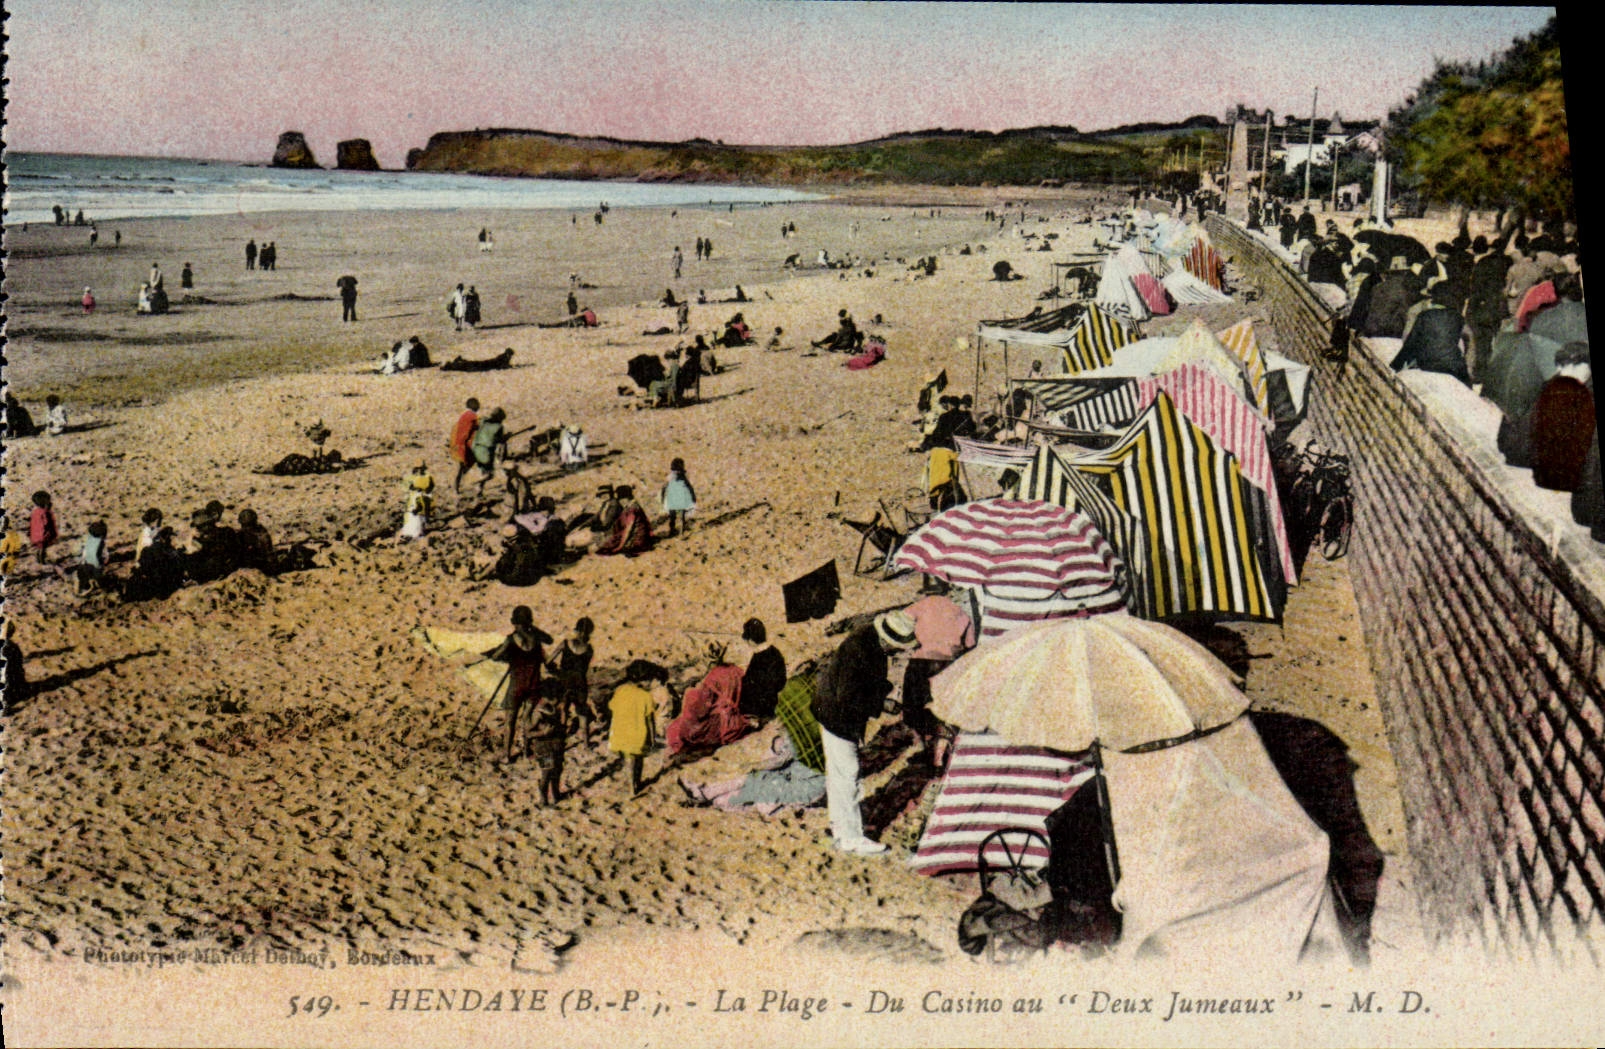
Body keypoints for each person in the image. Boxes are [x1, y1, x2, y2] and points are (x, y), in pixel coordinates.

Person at [812, 610, 918, 854]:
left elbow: (866, 682)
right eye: (895, 648)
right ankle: (850, 837)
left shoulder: (868, 641)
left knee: (839, 773)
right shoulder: (861, 650)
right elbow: (849, 695)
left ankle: (839, 826)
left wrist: (883, 694)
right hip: (837, 715)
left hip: (831, 710)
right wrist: (882, 704)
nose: (896, 653)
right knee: (848, 773)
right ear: (885, 640)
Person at [901, 594, 976, 766]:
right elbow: (970, 645)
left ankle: (923, 747)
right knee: (942, 711)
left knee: (913, 708)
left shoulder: (919, 605)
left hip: (920, 663)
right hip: (947, 664)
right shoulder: (960, 612)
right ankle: (939, 758)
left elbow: (902, 628)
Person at [484, 606, 555, 766]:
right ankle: (525, 752)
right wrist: (532, 628)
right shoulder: (536, 638)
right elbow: (549, 640)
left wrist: (501, 655)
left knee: (510, 722)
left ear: (514, 622)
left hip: (517, 685)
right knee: (527, 719)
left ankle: (507, 755)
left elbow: (496, 656)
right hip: (533, 685)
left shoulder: (511, 639)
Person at [609, 660, 662, 797]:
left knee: (629, 762)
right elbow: (650, 720)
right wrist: (653, 737)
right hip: (638, 734)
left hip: (621, 732)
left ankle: (632, 785)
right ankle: (634, 786)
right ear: (642, 679)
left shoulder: (620, 690)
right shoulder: (645, 696)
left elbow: (612, 708)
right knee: (638, 761)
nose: (649, 684)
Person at [547, 618, 597, 744]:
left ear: (576, 629)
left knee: (564, 710)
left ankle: (561, 740)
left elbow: (549, 661)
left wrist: (556, 670)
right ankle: (586, 743)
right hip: (580, 683)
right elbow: (584, 668)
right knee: (582, 714)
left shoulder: (565, 643)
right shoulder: (589, 649)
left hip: (565, 681)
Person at [739, 618, 786, 720]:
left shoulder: (758, 659)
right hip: (771, 702)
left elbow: (750, 686)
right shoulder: (775, 652)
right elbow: (781, 682)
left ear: (751, 640)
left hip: (758, 709)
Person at [594, 485, 652, 556]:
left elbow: (628, 529)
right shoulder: (632, 506)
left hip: (637, 539)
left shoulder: (632, 508)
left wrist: (620, 547)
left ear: (625, 498)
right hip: (639, 537)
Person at [470, 407, 509, 494]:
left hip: (475, 448)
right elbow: (500, 441)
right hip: (487, 451)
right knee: (490, 475)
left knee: (484, 470)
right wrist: (506, 437)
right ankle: (477, 482)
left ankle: (479, 490)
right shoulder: (499, 427)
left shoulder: (484, 421)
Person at [660, 457, 696, 536]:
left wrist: (662, 499)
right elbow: (689, 487)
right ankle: (679, 532)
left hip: (673, 498)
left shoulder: (670, 477)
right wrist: (693, 496)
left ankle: (673, 531)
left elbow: (663, 488)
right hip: (679, 498)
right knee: (680, 517)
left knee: (673, 517)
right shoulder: (682, 477)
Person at [450, 398, 480, 492]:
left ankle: (456, 486)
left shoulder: (463, 415)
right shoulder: (472, 416)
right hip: (464, 445)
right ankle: (459, 485)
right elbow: (468, 432)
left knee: (460, 467)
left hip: (458, 444)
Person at [74, 521, 111, 596]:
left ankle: (82, 587)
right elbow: (105, 555)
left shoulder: (88, 539)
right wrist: (105, 561)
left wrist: (82, 560)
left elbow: (85, 551)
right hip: (96, 565)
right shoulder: (101, 542)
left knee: (84, 576)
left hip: (86, 562)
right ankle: (97, 584)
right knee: (98, 576)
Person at [236, 509, 277, 574]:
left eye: (247, 525)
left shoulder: (262, 535)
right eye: (244, 525)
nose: (245, 528)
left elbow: (269, 556)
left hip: (260, 565)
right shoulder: (242, 534)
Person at [400, 462, 435, 539]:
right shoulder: (411, 478)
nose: (420, 471)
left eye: (421, 469)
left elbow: (431, 486)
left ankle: (418, 532)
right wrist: (414, 489)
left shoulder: (428, 477)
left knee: (420, 515)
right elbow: (406, 486)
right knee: (411, 514)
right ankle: (408, 532)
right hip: (413, 497)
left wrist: (425, 491)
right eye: (418, 469)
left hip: (422, 497)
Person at [29, 491, 59, 565]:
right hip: (44, 534)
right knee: (43, 548)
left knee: (39, 548)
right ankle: (42, 560)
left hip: (36, 534)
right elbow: (46, 523)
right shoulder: (45, 512)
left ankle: (38, 557)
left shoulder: (36, 511)